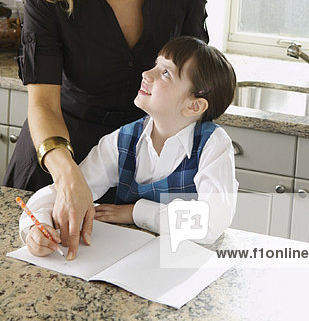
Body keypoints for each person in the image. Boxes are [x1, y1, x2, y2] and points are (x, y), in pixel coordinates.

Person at [4, 0, 209, 261]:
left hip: (143, 171)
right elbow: (43, 104)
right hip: (59, 160)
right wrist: (68, 177)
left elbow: (194, 90)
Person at [19, 36, 238, 259]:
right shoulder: (122, 140)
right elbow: (68, 191)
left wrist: (135, 212)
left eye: (165, 73)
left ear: (194, 105)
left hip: (182, 269)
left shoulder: (214, 144)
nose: (146, 73)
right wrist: (36, 227)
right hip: (129, 260)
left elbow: (212, 221)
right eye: (155, 65)